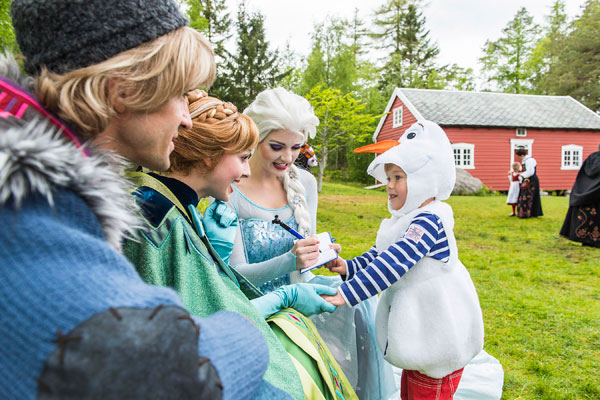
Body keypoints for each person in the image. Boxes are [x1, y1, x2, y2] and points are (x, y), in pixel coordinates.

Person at [0, 0, 285, 398]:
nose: (187, 118)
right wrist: (246, 333)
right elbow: (168, 376)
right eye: (182, 95)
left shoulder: (37, 199)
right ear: (124, 91)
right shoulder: (23, 218)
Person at [122, 90, 358, 400]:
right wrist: (284, 295)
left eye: (296, 147)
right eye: (244, 157)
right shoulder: (158, 215)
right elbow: (193, 327)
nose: (246, 170)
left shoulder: (179, 206)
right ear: (210, 156)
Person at [228, 87, 397, 400]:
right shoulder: (232, 185)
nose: (288, 157)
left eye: (296, 147)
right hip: (256, 306)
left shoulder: (303, 182)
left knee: (359, 306)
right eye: (276, 146)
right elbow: (235, 275)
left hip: (299, 293)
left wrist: (322, 255)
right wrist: (291, 261)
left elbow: (306, 256)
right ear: (255, 138)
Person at [323, 121, 484, 400]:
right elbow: (379, 255)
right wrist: (350, 267)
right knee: (412, 384)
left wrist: (348, 293)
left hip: (437, 327)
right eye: (388, 178)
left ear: (426, 179)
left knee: (428, 388)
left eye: (398, 177)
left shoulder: (429, 220)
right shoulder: (405, 220)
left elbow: (395, 262)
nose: (389, 186)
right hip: (418, 331)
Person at [560, 145, 600, 248]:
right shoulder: (594, 158)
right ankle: (594, 240)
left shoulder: (592, 157)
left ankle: (586, 239)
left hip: (585, 190)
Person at [515, 148, 543, 218]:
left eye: (518, 156)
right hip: (527, 179)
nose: (518, 158)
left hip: (531, 180)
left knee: (528, 197)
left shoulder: (530, 160)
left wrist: (522, 175)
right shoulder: (525, 161)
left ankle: (528, 213)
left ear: (521, 155)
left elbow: (530, 172)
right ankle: (526, 213)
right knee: (524, 196)